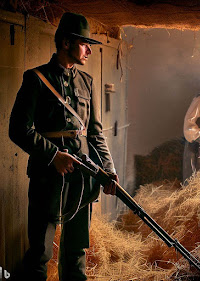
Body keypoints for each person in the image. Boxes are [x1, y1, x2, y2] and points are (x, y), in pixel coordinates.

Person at [9, 12, 119, 281]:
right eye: (84, 43)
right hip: (47, 177)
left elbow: (95, 133)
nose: (89, 50)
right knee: (40, 254)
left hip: (81, 178)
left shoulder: (86, 82)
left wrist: (108, 169)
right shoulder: (35, 78)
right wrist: (52, 156)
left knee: (75, 252)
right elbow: (18, 130)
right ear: (66, 43)